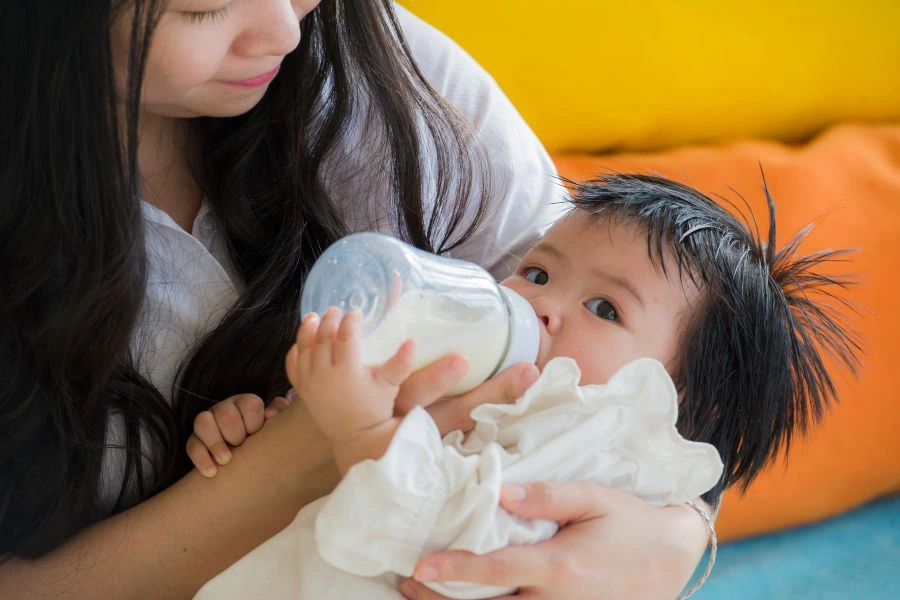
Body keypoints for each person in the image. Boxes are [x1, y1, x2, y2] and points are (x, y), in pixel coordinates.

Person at [0, 1, 723, 598]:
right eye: (204, 8)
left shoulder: (376, 66)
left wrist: (674, 536)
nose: (286, 30)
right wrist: (286, 451)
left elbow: (677, 339)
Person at [188, 173, 859, 600]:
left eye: (605, 309)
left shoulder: (600, 446)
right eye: (538, 273)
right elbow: (327, 476)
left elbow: (462, 542)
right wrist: (284, 425)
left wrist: (362, 433)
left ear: (671, 404)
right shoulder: (479, 382)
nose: (541, 305)